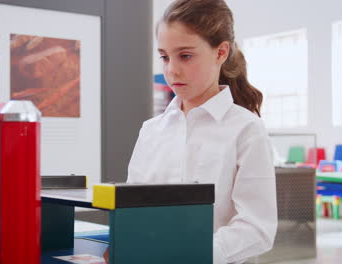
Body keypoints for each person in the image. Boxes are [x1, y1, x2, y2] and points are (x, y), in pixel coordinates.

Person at [104, 0, 277, 263]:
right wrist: (124, 241)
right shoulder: (151, 131)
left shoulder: (246, 130)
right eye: (164, 56)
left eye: (185, 56)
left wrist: (186, 253)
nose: (171, 70)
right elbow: (134, 209)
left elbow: (257, 228)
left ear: (220, 53)